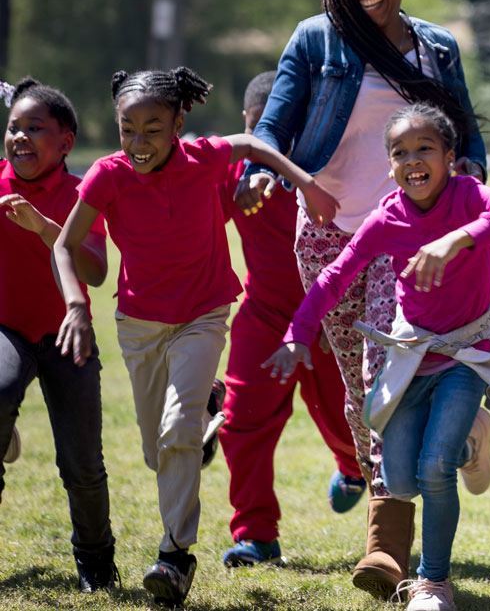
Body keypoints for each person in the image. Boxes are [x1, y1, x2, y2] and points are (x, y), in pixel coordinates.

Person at [241, 0, 489, 598]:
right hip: (326, 233)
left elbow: (463, 129)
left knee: (389, 371)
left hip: (406, 234)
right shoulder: (315, 37)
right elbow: (274, 125)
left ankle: (388, 548)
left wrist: (468, 194)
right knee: (360, 387)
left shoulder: (436, 48)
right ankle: (442, 443)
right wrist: (279, 175)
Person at [51, 67, 338, 606]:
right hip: (138, 326)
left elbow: (252, 141)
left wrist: (305, 184)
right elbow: (64, 247)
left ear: (179, 122)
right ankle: (206, 400)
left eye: (153, 129)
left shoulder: (203, 158)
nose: (139, 142)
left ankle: (174, 555)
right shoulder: (107, 177)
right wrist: (75, 305)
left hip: (203, 317)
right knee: (155, 452)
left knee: (178, 432)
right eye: (128, 129)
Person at [268, 103, 490, 611]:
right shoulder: (387, 217)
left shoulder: (470, 196)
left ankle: (433, 584)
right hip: (409, 357)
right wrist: (299, 332)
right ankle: (472, 434)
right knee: (400, 479)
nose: (412, 160)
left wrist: (458, 237)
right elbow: (334, 276)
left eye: (424, 148)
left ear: (450, 156)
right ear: (389, 166)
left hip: (465, 354)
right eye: (400, 152)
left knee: (434, 469)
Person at [217, 72, 364, 569]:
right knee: (242, 423)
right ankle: (256, 536)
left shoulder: (331, 172)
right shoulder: (234, 176)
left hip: (329, 318)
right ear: (246, 123)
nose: (270, 146)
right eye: (261, 130)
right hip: (264, 315)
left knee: (349, 422)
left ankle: (351, 466)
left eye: (283, 131)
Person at [0, 78, 117, 591]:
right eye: (13, 128)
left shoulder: (80, 193)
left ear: (66, 142)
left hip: (68, 335)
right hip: (6, 329)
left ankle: (95, 561)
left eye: (34, 129)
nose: (19, 137)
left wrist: (45, 227)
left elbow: (94, 271)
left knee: (82, 463)